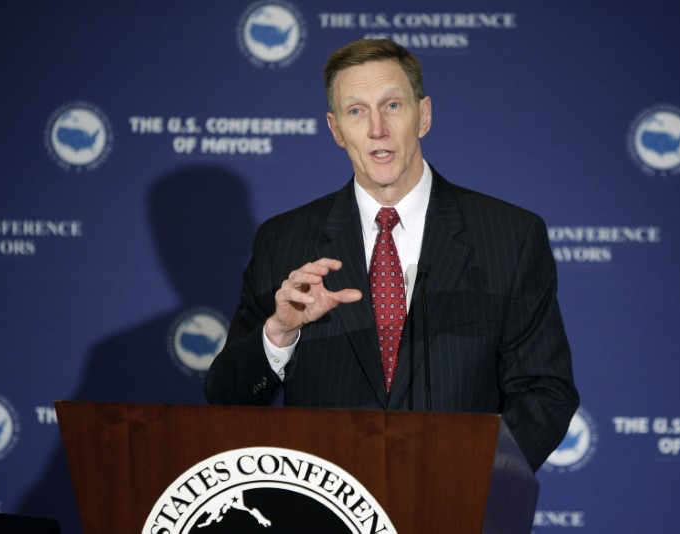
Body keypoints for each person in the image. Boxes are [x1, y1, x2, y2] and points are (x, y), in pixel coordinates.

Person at [205, 39, 579, 472]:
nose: (377, 129)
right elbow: (226, 397)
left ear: (424, 116)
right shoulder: (284, 242)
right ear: (335, 129)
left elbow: (545, 392)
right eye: (356, 111)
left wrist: (476, 481)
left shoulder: (509, 236)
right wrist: (279, 333)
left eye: (393, 106)